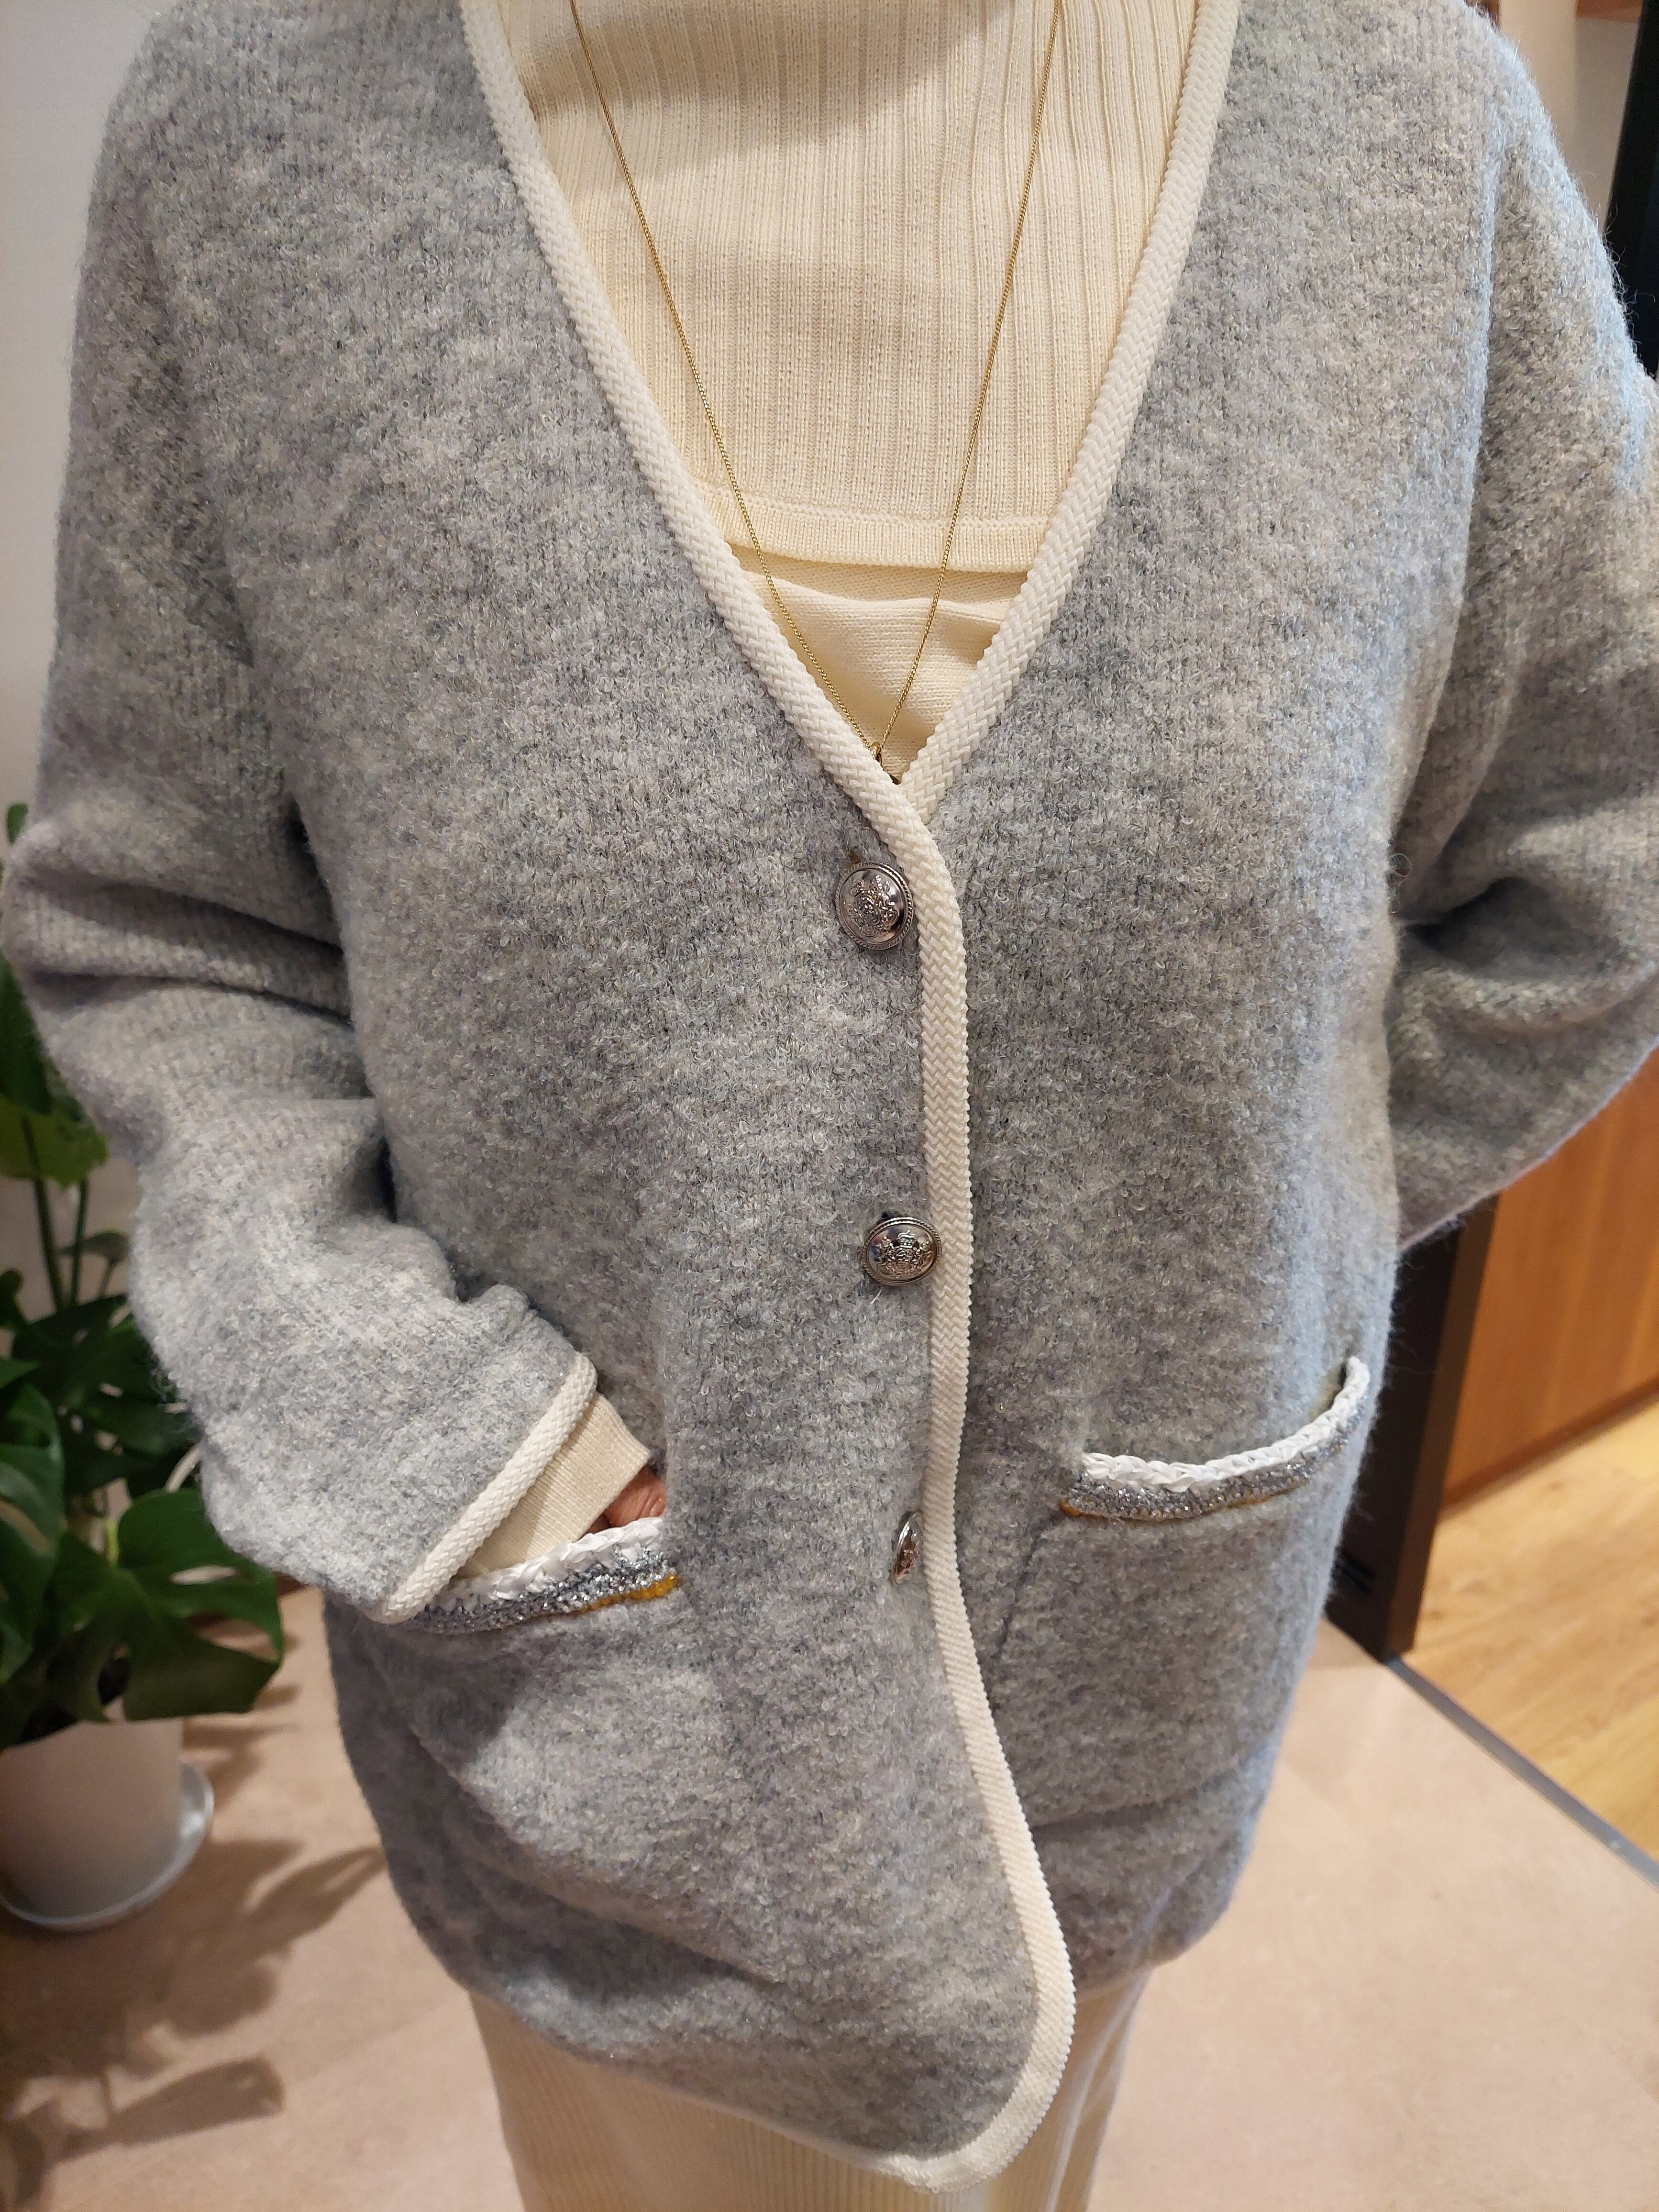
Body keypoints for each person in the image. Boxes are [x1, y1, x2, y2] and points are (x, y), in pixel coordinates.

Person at [6, 0, 1656, 2203]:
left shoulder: (1397, 117)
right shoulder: (258, 139)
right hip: (584, 1720)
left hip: (1117, 1659)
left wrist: (1273, 1218)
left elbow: (1612, 816)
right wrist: (491, 1476)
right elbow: (166, 930)